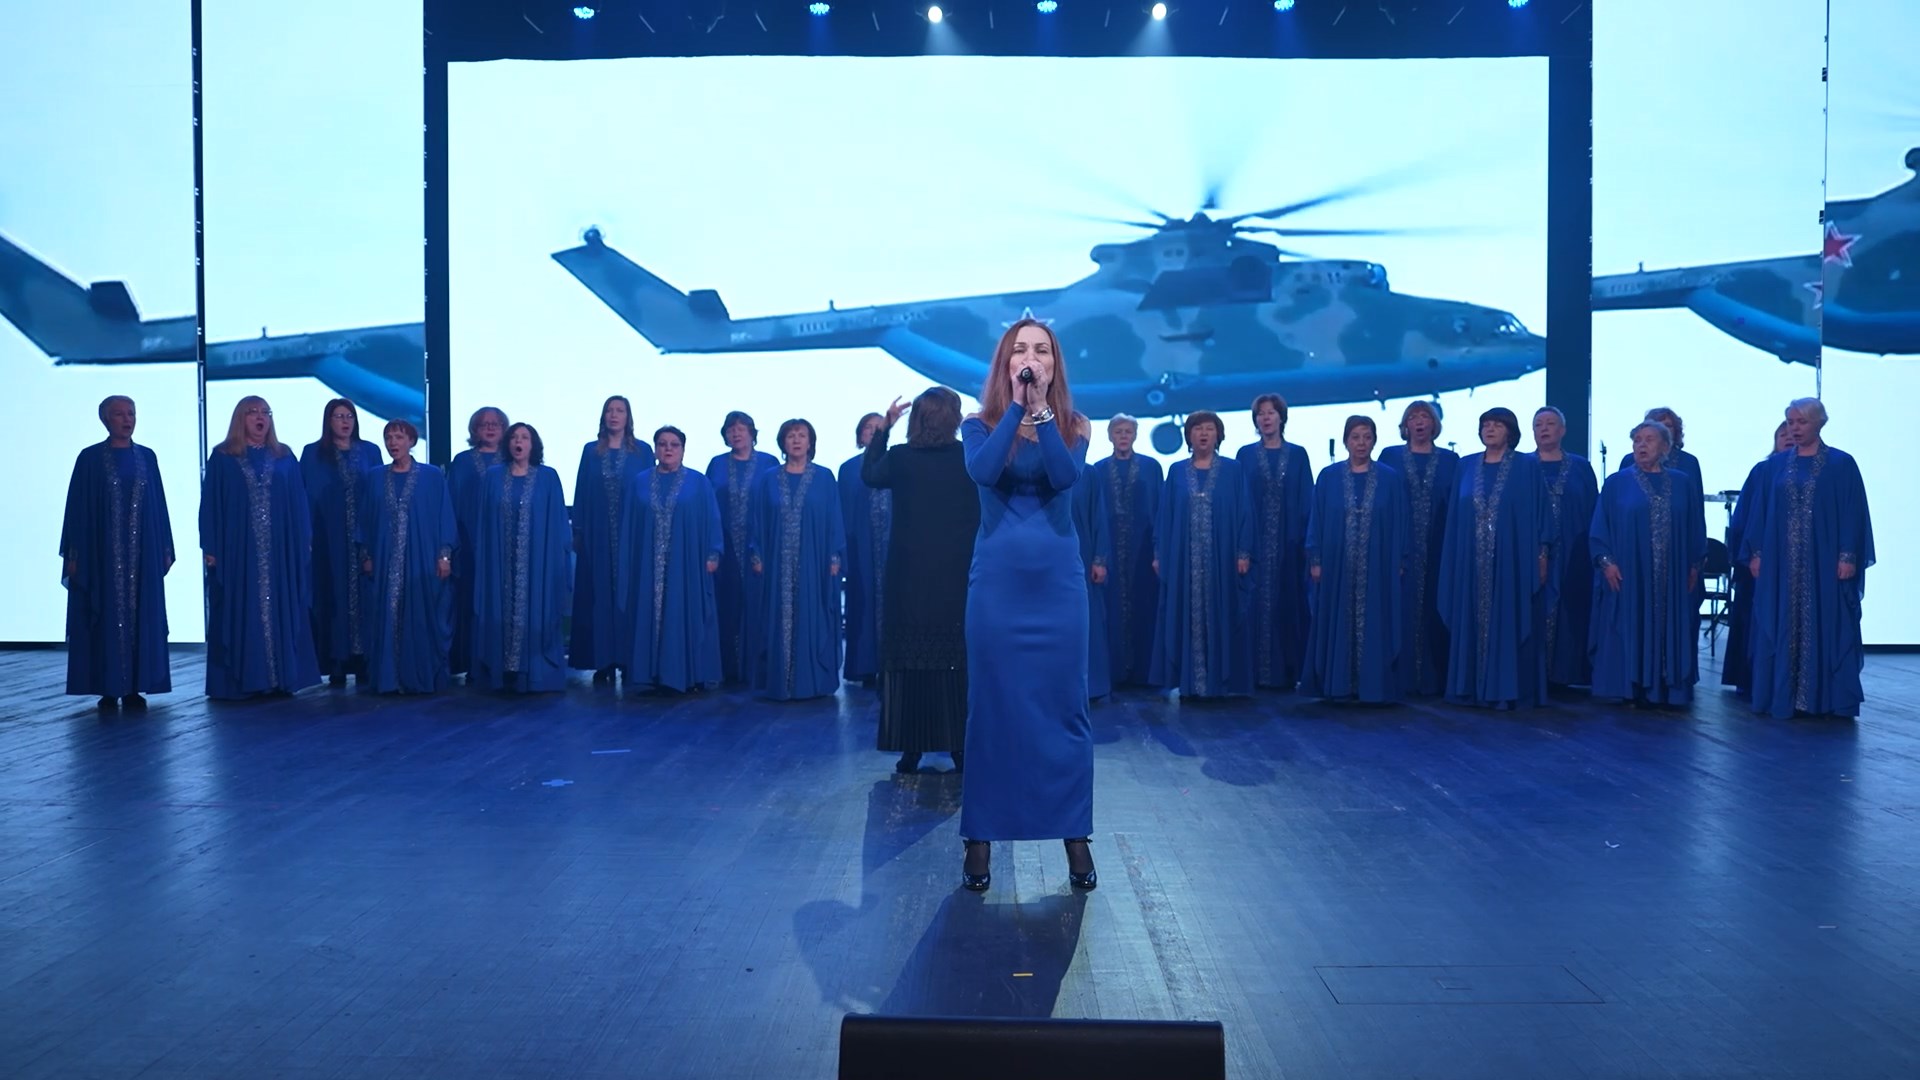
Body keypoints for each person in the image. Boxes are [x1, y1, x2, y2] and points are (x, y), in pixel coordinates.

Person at [958, 318, 1096, 893]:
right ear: (1006, 363)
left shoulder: (1074, 425)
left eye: (1042, 350)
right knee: (993, 710)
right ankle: (980, 837)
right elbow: (984, 470)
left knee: (1064, 710)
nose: (1032, 358)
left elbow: (1063, 478)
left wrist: (1041, 414)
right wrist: (1017, 407)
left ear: (1054, 364)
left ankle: (1074, 833)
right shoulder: (977, 424)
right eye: (1021, 350)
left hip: (1058, 590)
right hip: (998, 589)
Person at [862, 387, 978, 774]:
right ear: (953, 418)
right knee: (955, 661)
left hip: (909, 575)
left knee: (910, 662)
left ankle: (910, 748)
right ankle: (959, 746)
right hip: (955, 574)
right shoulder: (967, 457)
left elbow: (869, 474)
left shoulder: (900, 457)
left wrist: (884, 428)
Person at [1743, 398, 1875, 719]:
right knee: (1779, 619)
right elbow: (1760, 512)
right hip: (1781, 563)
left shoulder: (1841, 464)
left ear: (1819, 423)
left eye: (1801, 422)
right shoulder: (1775, 466)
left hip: (1823, 559)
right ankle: (1783, 696)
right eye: (1790, 422)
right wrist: (1757, 553)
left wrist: (1847, 555)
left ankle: (1823, 698)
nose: (1795, 428)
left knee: (1827, 619)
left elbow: (1852, 512)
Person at [200, 396, 320, 699]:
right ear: (240, 418)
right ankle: (246, 680)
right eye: (252, 412)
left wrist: (304, 539)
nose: (260, 417)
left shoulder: (284, 456)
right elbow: (211, 503)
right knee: (242, 608)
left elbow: (298, 501)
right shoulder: (223, 457)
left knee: (282, 606)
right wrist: (210, 545)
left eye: (265, 412)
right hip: (239, 551)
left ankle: (282, 678)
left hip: (280, 551)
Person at [61, 395, 174, 709]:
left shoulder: (147, 457)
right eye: (119, 414)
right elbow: (77, 510)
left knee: (141, 613)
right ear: (105, 419)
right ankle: (108, 686)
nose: (127, 419)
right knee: (105, 612)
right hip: (103, 553)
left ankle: (136, 686)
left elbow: (158, 505)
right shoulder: (90, 458)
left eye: (131, 413)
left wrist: (164, 547)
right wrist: (74, 554)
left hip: (142, 552)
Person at [1437, 407, 1549, 709]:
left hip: (1511, 561)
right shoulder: (1466, 465)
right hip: (1470, 561)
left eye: (1497, 425)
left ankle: (1505, 690)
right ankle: (1468, 688)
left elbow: (1540, 514)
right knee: (1469, 617)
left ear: (1510, 432)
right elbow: (1455, 517)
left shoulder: (1526, 466)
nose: (1490, 429)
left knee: (1510, 618)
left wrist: (1541, 555)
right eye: (1486, 424)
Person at [1589, 421, 1706, 707]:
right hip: (1631, 573)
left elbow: (1695, 525)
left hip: (1673, 574)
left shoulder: (1682, 483)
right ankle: (1631, 685)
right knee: (1629, 621)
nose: (1641, 445)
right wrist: (1607, 562)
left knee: (1670, 623)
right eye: (1637, 440)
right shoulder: (1617, 483)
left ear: (1665, 446)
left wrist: (1694, 564)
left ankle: (1667, 686)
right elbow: (1601, 526)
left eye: (1649, 440)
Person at [1300, 415, 1408, 704]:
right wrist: (1316, 559)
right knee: (1335, 619)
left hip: (1377, 565)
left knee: (1376, 620)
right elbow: (1317, 520)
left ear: (1374, 441)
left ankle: (1372, 686)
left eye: (1367, 437)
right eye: (1356, 437)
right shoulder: (1328, 477)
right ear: (1346, 441)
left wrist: (1399, 559)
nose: (1361, 443)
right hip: (1337, 565)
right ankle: (1338, 684)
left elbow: (1400, 521)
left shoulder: (1389, 478)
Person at [1151, 411, 1255, 700]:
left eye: (1209, 428)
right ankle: (1191, 683)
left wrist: (1243, 551)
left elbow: (1245, 512)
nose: (1204, 434)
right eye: (1197, 429)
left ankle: (1219, 683)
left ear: (1218, 435)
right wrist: (1159, 553)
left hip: (1222, 559)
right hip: (1184, 561)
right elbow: (1165, 515)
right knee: (1184, 614)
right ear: (1189, 436)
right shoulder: (1176, 472)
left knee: (1225, 612)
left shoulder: (1233, 471)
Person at [618, 426, 724, 693]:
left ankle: (689, 674)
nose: (668, 449)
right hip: (647, 564)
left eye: (674, 444)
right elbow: (629, 524)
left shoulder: (698, 482)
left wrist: (713, 552)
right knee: (647, 612)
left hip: (686, 564)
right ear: (655, 449)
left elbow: (712, 519)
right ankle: (650, 673)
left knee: (686, 611)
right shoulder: (640, 482)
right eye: (662, 444)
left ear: (683, 450)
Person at [357, 419, 457, 694]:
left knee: (421, 614)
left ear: (411, 441)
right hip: (385, 558)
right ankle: (389, 679)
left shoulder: (431, 476)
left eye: (399, 437)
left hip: (421, 557)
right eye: (389, 437)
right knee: (386, 614)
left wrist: (444, 555)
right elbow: (366, 518)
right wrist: (366, 554)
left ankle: (418, 678)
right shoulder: (376, 477)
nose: (393, 443)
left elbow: (443, 515)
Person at [747, 419, 844, 701]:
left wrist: (834, 555)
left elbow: (834, 518)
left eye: (802, 435)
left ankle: (811, 683)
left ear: (810, 442)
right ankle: (780, 682)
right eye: (791, 436)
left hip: (814, 561)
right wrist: (757, 553)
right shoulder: (768, 479)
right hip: (777, 563)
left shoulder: (824, 477)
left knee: (814, 615)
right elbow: (758, 519)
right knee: (776, 617)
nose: (797, 440)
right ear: (783, 442)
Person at [473, 423, 571, 692]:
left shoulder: (548, 477)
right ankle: (502, 671)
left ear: (533, 444)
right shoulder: (493, 477)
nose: (519, 442)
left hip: (537, 561)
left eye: (525, 438)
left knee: (536, 608)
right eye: (514, 437)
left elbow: (558, 521)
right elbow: (485, 522)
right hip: (501, 561)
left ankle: (533, 673)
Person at [299, 398, 384, 685]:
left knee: (365, 596)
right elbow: (303, 495)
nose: (345, 422)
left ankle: (364, 660)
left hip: (363, 537)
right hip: (327, 537)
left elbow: (379, 494)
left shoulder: (370, 451)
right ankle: (335, 661)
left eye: (349, 416)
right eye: (339, 416)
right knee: (330, 595)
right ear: (328, 421)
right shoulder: (313, 453)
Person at [570, 395, 654, 684]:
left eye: (620, 410)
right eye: (609, 410)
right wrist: (578, 529)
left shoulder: (643, 451)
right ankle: (603, 660)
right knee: (600, 596)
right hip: (598, 534)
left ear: (628, 417)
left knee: (631, 594)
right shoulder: (591, 451)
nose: (614, 415)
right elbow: (581, 490)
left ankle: (630, 659)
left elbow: (651, 490)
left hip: (633, 534)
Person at [1379, 401, 1458, 695]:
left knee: (1438, 607)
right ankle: (1398, 679)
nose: (1420, 421)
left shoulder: (1451, 461)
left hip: (1439, 547)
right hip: (1400, 547)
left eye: (1425, 416)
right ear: (1405, 425)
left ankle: (1435, 680)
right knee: (1399, 608)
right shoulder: (1390, 457)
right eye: (1413, 417)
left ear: (1434, 424)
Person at [1235, 393, 1313, 690]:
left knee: (1288, 603)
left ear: (1282, 417)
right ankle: (1252, 673)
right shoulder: (1244, 455)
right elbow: (1239, 503)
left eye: (1271, 412)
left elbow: (1306, 501)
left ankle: (1286, 673)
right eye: (1261, 413)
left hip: (1289, 545)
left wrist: (1308, 548)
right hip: (1253, 546)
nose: (1266, 418)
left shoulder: (1298, 454)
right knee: (1251, 605)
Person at [707, 410, 779, 686]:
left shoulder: (769, 463)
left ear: (752, 433)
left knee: (759, 605)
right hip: (724, 546)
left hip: (759, 546)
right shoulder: (716, 464)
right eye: (730, 429)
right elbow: (707, 506)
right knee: (726, 606)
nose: (736, 433)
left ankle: (758, 669)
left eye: (741, 428)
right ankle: (727, 669)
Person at [1530, 406, 1599, 688]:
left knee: (1571, 607)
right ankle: (1533, 672)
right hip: (1532, 550)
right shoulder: (1521, 465)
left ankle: (1566, 672)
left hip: (1573, 550)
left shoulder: (1581, 467)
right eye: (1538, 424)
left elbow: (1594, 510)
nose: (1544, 429)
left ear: (1563, 430)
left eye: (1550, 423)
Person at [1089, 415, 1161, 687]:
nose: (1123, 436)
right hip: (1109, 550)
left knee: (1144, 605)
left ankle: (1145, 673)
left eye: (1128, 431)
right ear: (1110, 436)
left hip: (1143, 550)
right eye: (1118, 431)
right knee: (1111, 608)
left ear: (1135, 435)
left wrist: (1159, 552)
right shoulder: (1097, 470)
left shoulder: (1151, 468)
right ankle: (1114, 672)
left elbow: (1160, 509)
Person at [1723, 421, 1790, 697]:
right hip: (1759, 559)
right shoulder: (1763, 471)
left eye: (1794, 433)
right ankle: (1752, 676)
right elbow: (1744, 517)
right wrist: (1748, 553)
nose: (1789, 438)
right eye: (1783, 434)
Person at [449, 406, 508, 678]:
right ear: (475, 429)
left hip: (503, 545)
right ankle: (473, 664)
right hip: (469, 543)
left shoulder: (513, 460)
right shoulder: (462, 461)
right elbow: (450, 502)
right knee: (470, 600)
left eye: (496, 424)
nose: (490, 428)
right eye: (484, 424)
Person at [838, 412, 891, 689]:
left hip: (892, 546)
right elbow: (841, 512)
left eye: (879, 427)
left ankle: (892, 666)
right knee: (862, 603)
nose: (873, 431)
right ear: (860, 435)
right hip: (860, 546)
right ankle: (865, 667)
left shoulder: (896, 462)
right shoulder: (847, 469)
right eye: (868, 428)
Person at [1071, 463, 1113, 702]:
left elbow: (1098, 517)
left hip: (1082, 556)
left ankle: (1091, 685)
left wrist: (1099, 559)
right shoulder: (1038, 467)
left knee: (1087, 618)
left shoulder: (1087, 473)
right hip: (1048, 557)